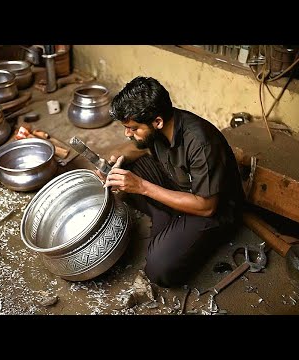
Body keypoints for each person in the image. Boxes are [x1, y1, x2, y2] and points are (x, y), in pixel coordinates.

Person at [99, 76, 245, 288]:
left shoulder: (200, 143)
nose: (127, 133)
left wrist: (142, 187)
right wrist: (114, 162)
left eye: (133, 128)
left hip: (212, 210)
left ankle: (169, 219)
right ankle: (166, 215)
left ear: (157, 122)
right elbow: (136, 149)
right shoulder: (159, 126)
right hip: (178, 184)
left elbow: (207, 207)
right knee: (122, 172)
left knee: (158, 270)